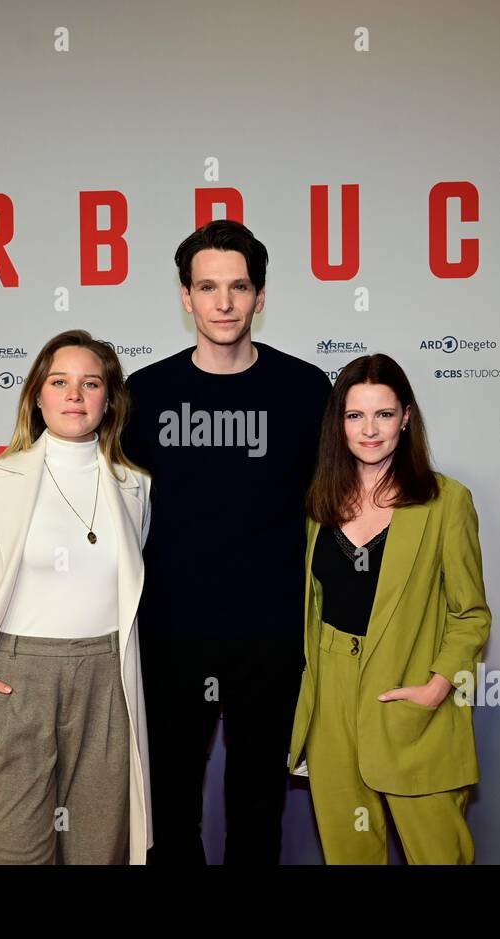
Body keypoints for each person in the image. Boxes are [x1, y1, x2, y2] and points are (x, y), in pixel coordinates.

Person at [121, 219, 332, 864]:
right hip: (171, 636)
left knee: (257, 812)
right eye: (207, 287)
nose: (223, 303)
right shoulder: (145, 394)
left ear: (260, 296)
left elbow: (343, 500)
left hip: (271, 638)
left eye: (238, 287)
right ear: (185, 296)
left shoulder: (305, 391)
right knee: (171, 816)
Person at [0, 329, 153, 864]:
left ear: (109, 400)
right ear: (38, 395)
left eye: (90, 384)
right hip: (13, 683)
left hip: (107, 686)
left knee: (96, 853)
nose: (74, 395)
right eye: (60, 382)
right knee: (7, 854)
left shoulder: (133, 488)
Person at [287, 353, 490, 864]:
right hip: (331, 705)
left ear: (405, 417)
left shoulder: (447, 502)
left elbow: (470, 614)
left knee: (440, 855)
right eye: (355, 416)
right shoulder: (318, 502)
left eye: (383, 414)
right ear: (339, 424)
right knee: (348, 853)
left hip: (410, 698)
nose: (369, 430)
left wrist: (437, 686)